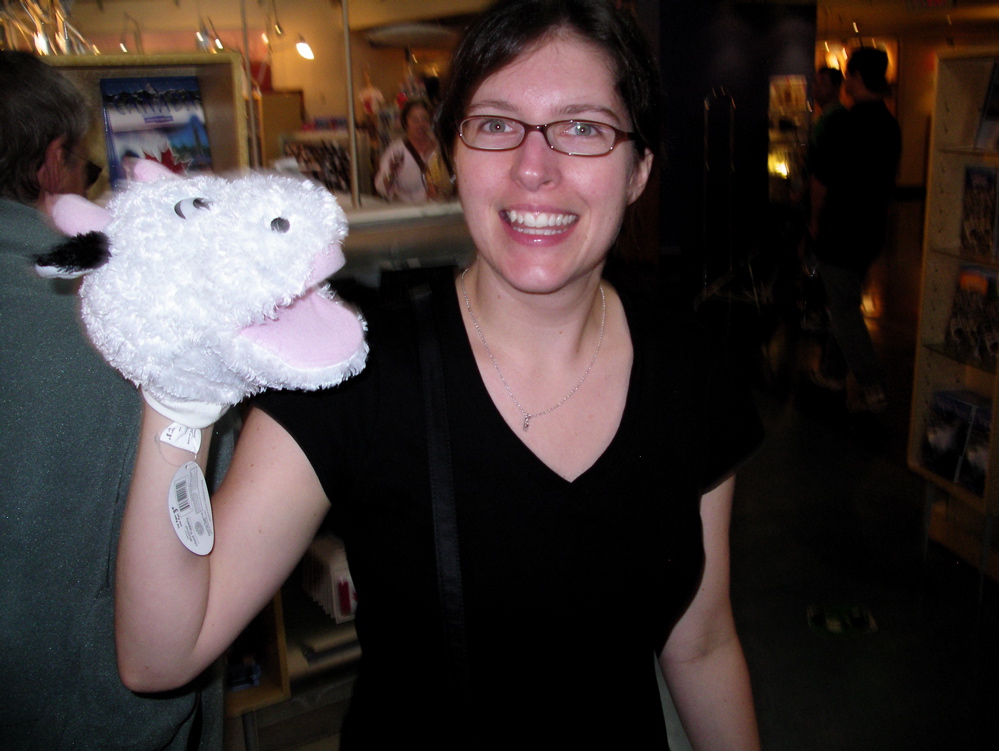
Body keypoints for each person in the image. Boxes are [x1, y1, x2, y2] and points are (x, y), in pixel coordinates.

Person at [114, 1, 763, 747]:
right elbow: (160, 655)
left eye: (583, 128)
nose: (533, 168)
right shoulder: (357, 374)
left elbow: (701, 641)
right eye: (496, 124)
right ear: (453, 155)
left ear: (639, 168)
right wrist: (180, 397)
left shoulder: (692, 372)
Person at [0, 51, 224, 749]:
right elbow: (204, 520)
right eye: (86, 168)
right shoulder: (130, 323)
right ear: (52, 163)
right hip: (99, 715)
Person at [809, 47, 901, 413]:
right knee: (844, 301)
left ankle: (872, 385)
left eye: (848, 75)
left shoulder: (843, 125)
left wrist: (814, 219)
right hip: (871, 230)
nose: (846, 81)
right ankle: (832, 373)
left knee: (844, 309)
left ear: (857, 78)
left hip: (840, 229)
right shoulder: (890, 126)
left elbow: (821, 181)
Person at [373, 98, 441, 202]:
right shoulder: (396, 151)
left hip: (439, 209)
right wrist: (391, 172)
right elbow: (380, 187)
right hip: (408, 209)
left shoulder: (440, 149)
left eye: (424, 119)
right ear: (406, 123)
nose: (420, 124)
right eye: (415, 120)